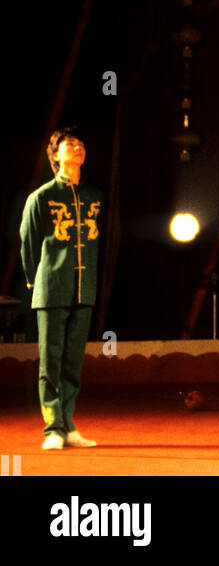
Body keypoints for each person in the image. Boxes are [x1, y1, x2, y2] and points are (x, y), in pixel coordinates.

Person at [19, 126, 103, 450]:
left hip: (84, 289)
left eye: (81, 143)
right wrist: (33, 280)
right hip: (52, 288)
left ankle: (69, 426)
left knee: (72, 362)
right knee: (50, 361)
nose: (78, 148)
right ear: (56, 155)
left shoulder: (94, 196)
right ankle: (52, 428)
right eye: (70, 144)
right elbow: (28, 242)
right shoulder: (41, 197)